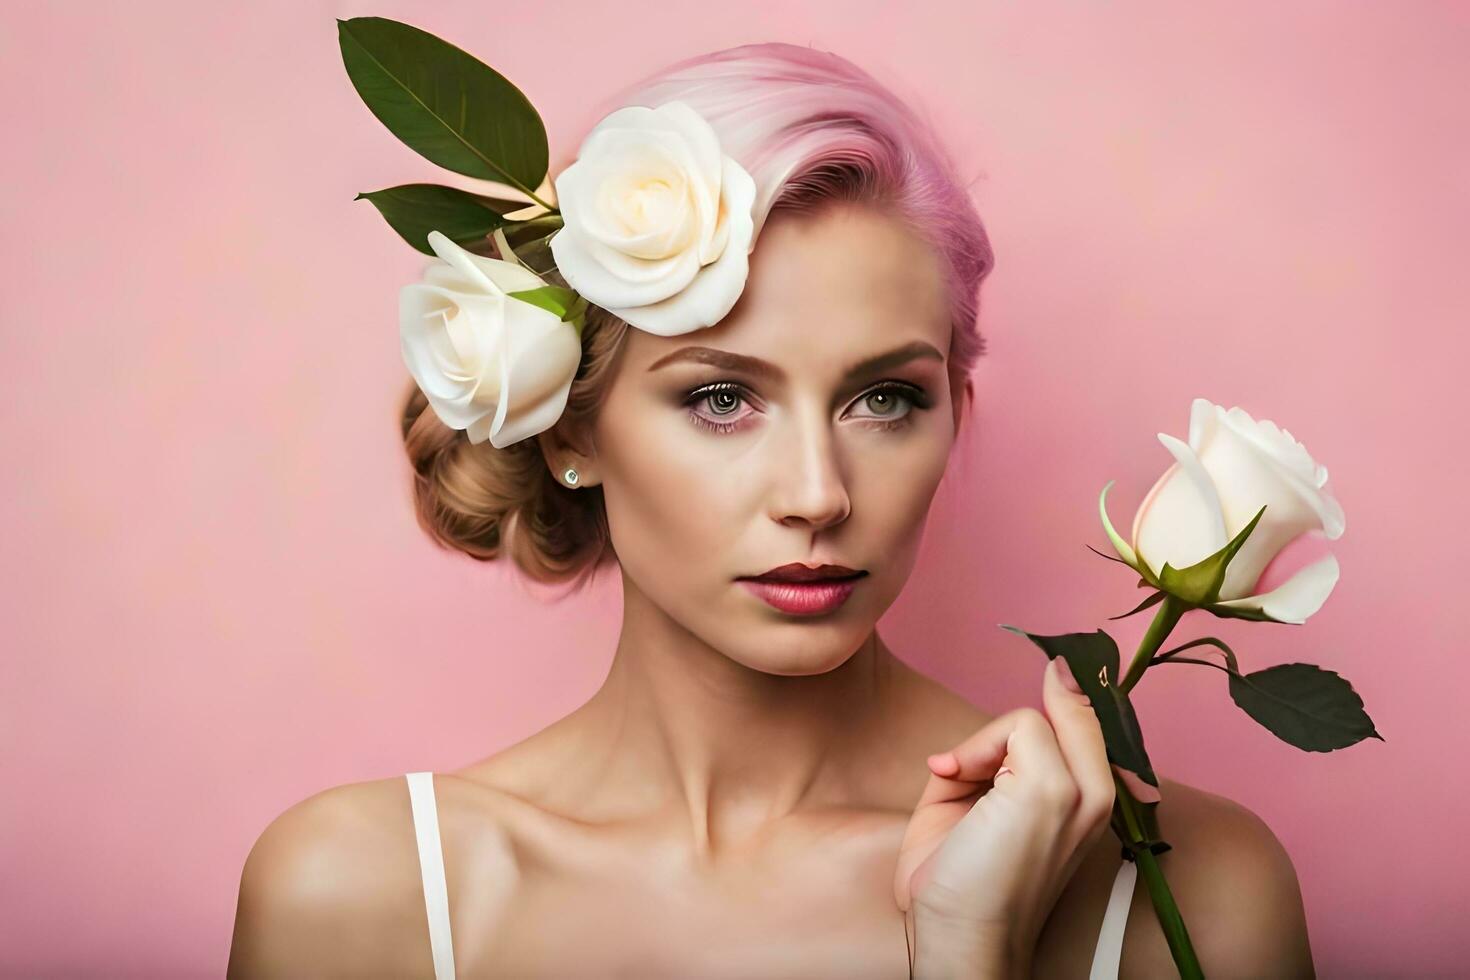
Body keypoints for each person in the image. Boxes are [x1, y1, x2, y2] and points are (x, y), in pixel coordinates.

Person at [227, 40, 1314, 978]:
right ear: (569, 431)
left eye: (885, 398)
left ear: (954, 409)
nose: (817, 493)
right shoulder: (361, 897)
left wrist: (968, 947)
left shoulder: (1198, 892)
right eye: (720, 397)